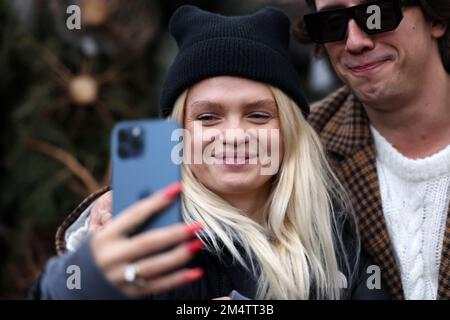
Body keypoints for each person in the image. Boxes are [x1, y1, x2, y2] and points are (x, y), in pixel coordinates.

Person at [30, 6, 389, 300]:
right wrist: (87, 276)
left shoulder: (337, 244)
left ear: (288, 131)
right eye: (207, 117)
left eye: (259, 115)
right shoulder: (142, 242)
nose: (234, 136)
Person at [292, 0, 450, 299]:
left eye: (377, 14)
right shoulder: (299, 150)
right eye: (333, 22)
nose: (355, 41)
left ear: (436, 19)